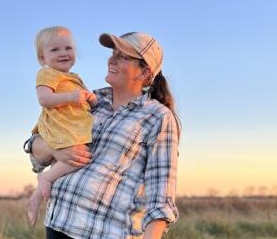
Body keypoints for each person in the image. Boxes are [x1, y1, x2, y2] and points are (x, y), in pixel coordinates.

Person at [26, 31, 180, 239]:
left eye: (123, 56)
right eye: (113, 53)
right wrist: (54, 149)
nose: (111, 59)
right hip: (57, 224)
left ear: (144, 73)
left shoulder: (158, 117)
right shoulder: (90, 99)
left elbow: (160, 196)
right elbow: (36, 147)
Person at [26, 26, 97, 226]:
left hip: (73, 126)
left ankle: (35, 199)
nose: (63, 53)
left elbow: (87, 98)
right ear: (42, 58)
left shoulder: (75, 78)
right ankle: (46, 178)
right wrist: (71, 97)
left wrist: (91, 99)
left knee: (67, 161)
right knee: (77, 155)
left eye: (68, 48)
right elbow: (44, 99)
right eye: (55, 50)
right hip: (59, 125)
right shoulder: (46, 74)